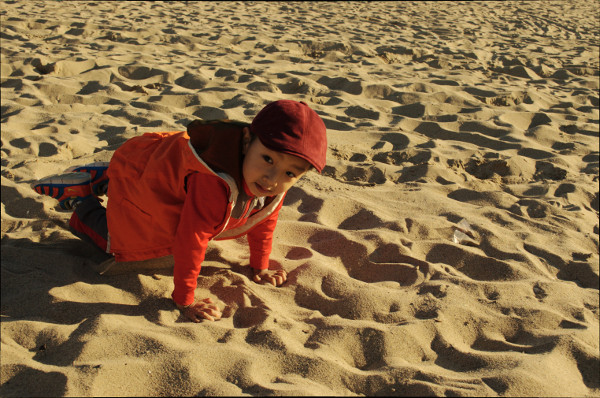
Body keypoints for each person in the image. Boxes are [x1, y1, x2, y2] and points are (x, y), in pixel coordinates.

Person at [31, 100, 327, 323]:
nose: (272, 179)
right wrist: (185, 301)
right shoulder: (212, 181)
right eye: (267, 159)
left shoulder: (271, 183)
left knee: (137, 185)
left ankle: (111, 176)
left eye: (290, 173)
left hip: (161, 177)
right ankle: (82, 199)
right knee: (118, 243)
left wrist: (259, 267)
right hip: (153, 187)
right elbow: (192, 238)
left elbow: (264, 219)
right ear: (247, 140)